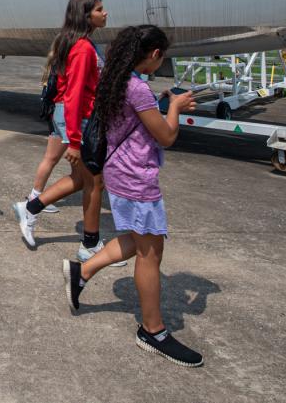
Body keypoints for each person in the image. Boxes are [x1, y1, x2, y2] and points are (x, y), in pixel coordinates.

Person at [62, 25, 203, 368]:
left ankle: (82, 273)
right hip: (137, 177)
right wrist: (176, 106)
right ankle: (152, 331)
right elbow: (166, 135)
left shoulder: (118, 79)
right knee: (151, 252)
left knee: (136, 239)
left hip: (120, 172)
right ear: (154, 55)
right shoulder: (138, 89)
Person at [13, 0, 123, 267]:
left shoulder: (79, 43)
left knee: (83, 179)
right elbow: (74, 94)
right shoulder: (83, 48)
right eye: (99, 10)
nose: (105, 13)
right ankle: (89, 244)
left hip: (78, 116)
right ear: (86, 16)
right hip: (80, 118)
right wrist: (74, 140)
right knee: (94, 182)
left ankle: (31, 207)